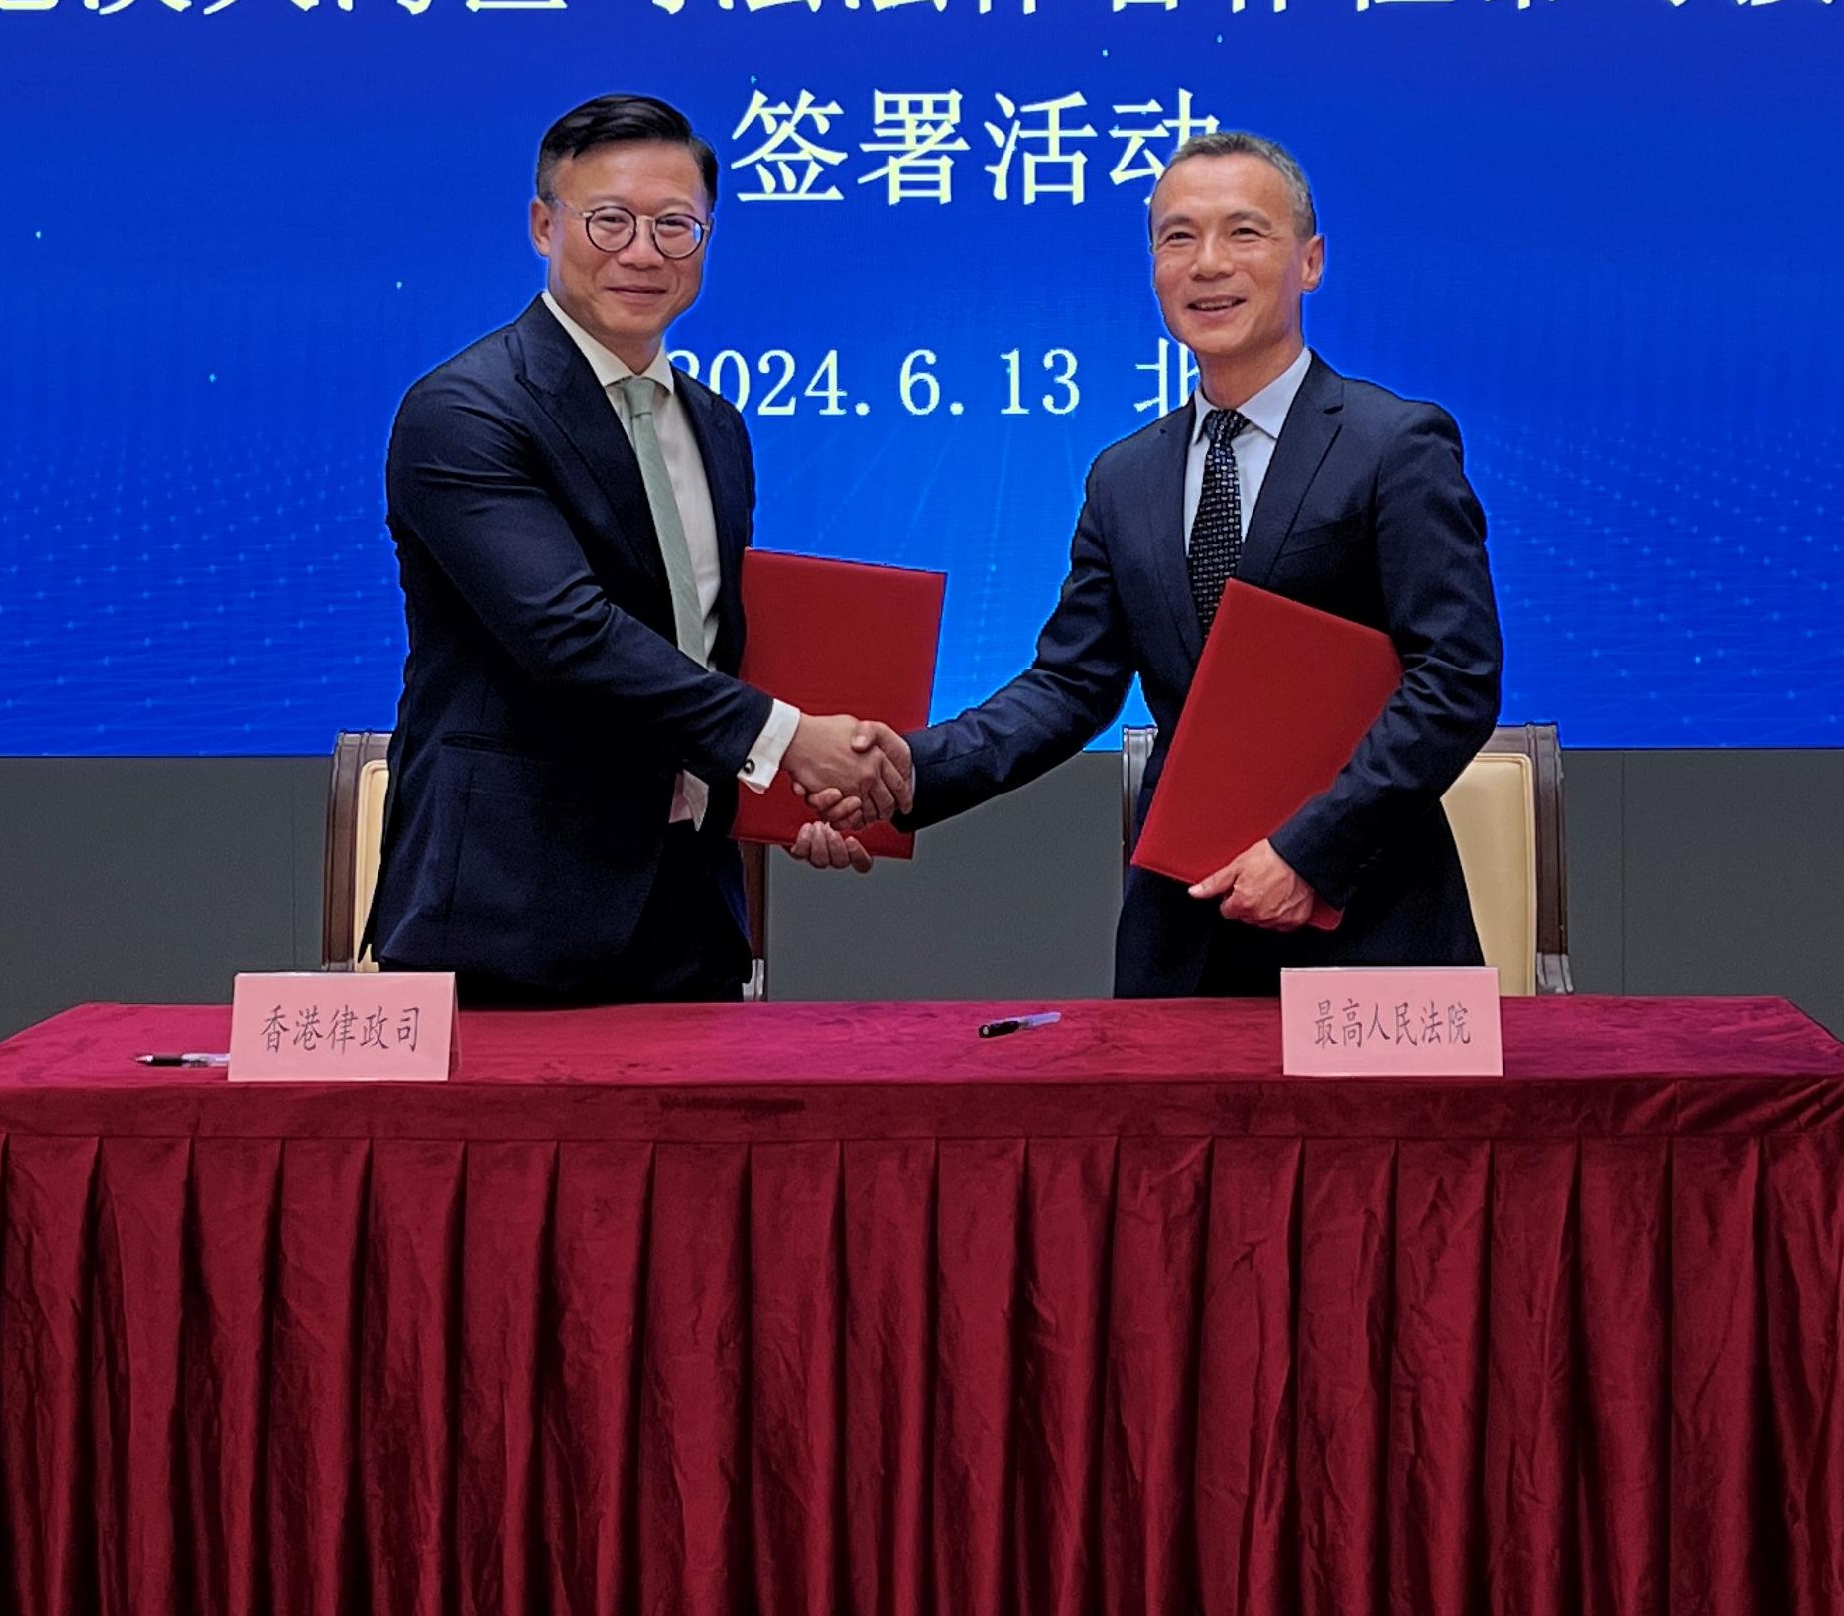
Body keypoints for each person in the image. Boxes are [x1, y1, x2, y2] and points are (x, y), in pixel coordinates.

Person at [792, 130, 1503, 998]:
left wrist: (1308, 850)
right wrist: (905, 772)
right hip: (1186, 932)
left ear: (1310, 262)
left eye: (1245, 233)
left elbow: (1454, 677)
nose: (1208, 264)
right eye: (1177, 237)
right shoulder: (1125, 475)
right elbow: (1068, 686)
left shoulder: (1394, 444)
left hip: (1370, 921)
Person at [369, 92, 904, 1004]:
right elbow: (568, 635)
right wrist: (790, 745)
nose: (643, 252)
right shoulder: (465, 410)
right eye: (608, 220)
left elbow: (708, 648)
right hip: (509, 910)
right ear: (545, 225)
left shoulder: (715, 425)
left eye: (676, 226)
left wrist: (804, 802)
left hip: (690, 905)